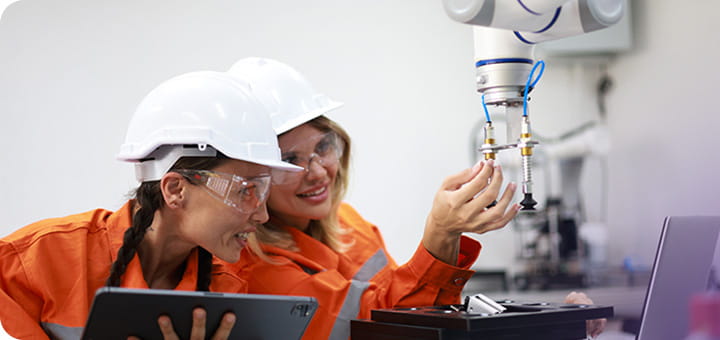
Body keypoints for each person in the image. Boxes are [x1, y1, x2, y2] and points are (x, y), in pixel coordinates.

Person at [215, 57, 524, 340]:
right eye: (291, 159)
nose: (318, 172)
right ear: (252, 176)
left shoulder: (349, 224)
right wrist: (441, 234)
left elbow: (407, 309)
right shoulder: (254, 268)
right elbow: (380, 328)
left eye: (323, 147)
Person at [0, 70, 301, 339]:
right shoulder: (31, 263)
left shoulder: (226, 291)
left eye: (263, 191)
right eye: (245, 190)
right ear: (175, 190)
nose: (261, 215)